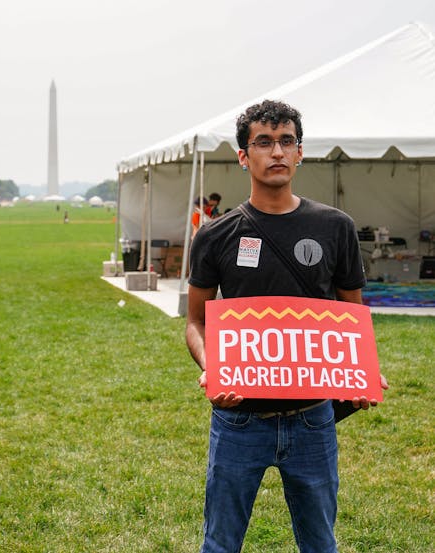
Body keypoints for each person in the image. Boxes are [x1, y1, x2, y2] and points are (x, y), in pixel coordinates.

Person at [185, 99, 388, 553]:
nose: (276, 152)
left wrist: (361, 372)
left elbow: (352, 317)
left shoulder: (335, 227)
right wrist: (212, 366)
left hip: (313, 420)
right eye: (263, 142)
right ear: (243, 157)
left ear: (299, 153)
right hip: (238, 420)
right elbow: (196, 321)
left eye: (286, 142)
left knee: (320, 544)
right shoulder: (216, 235)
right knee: (220, 544)